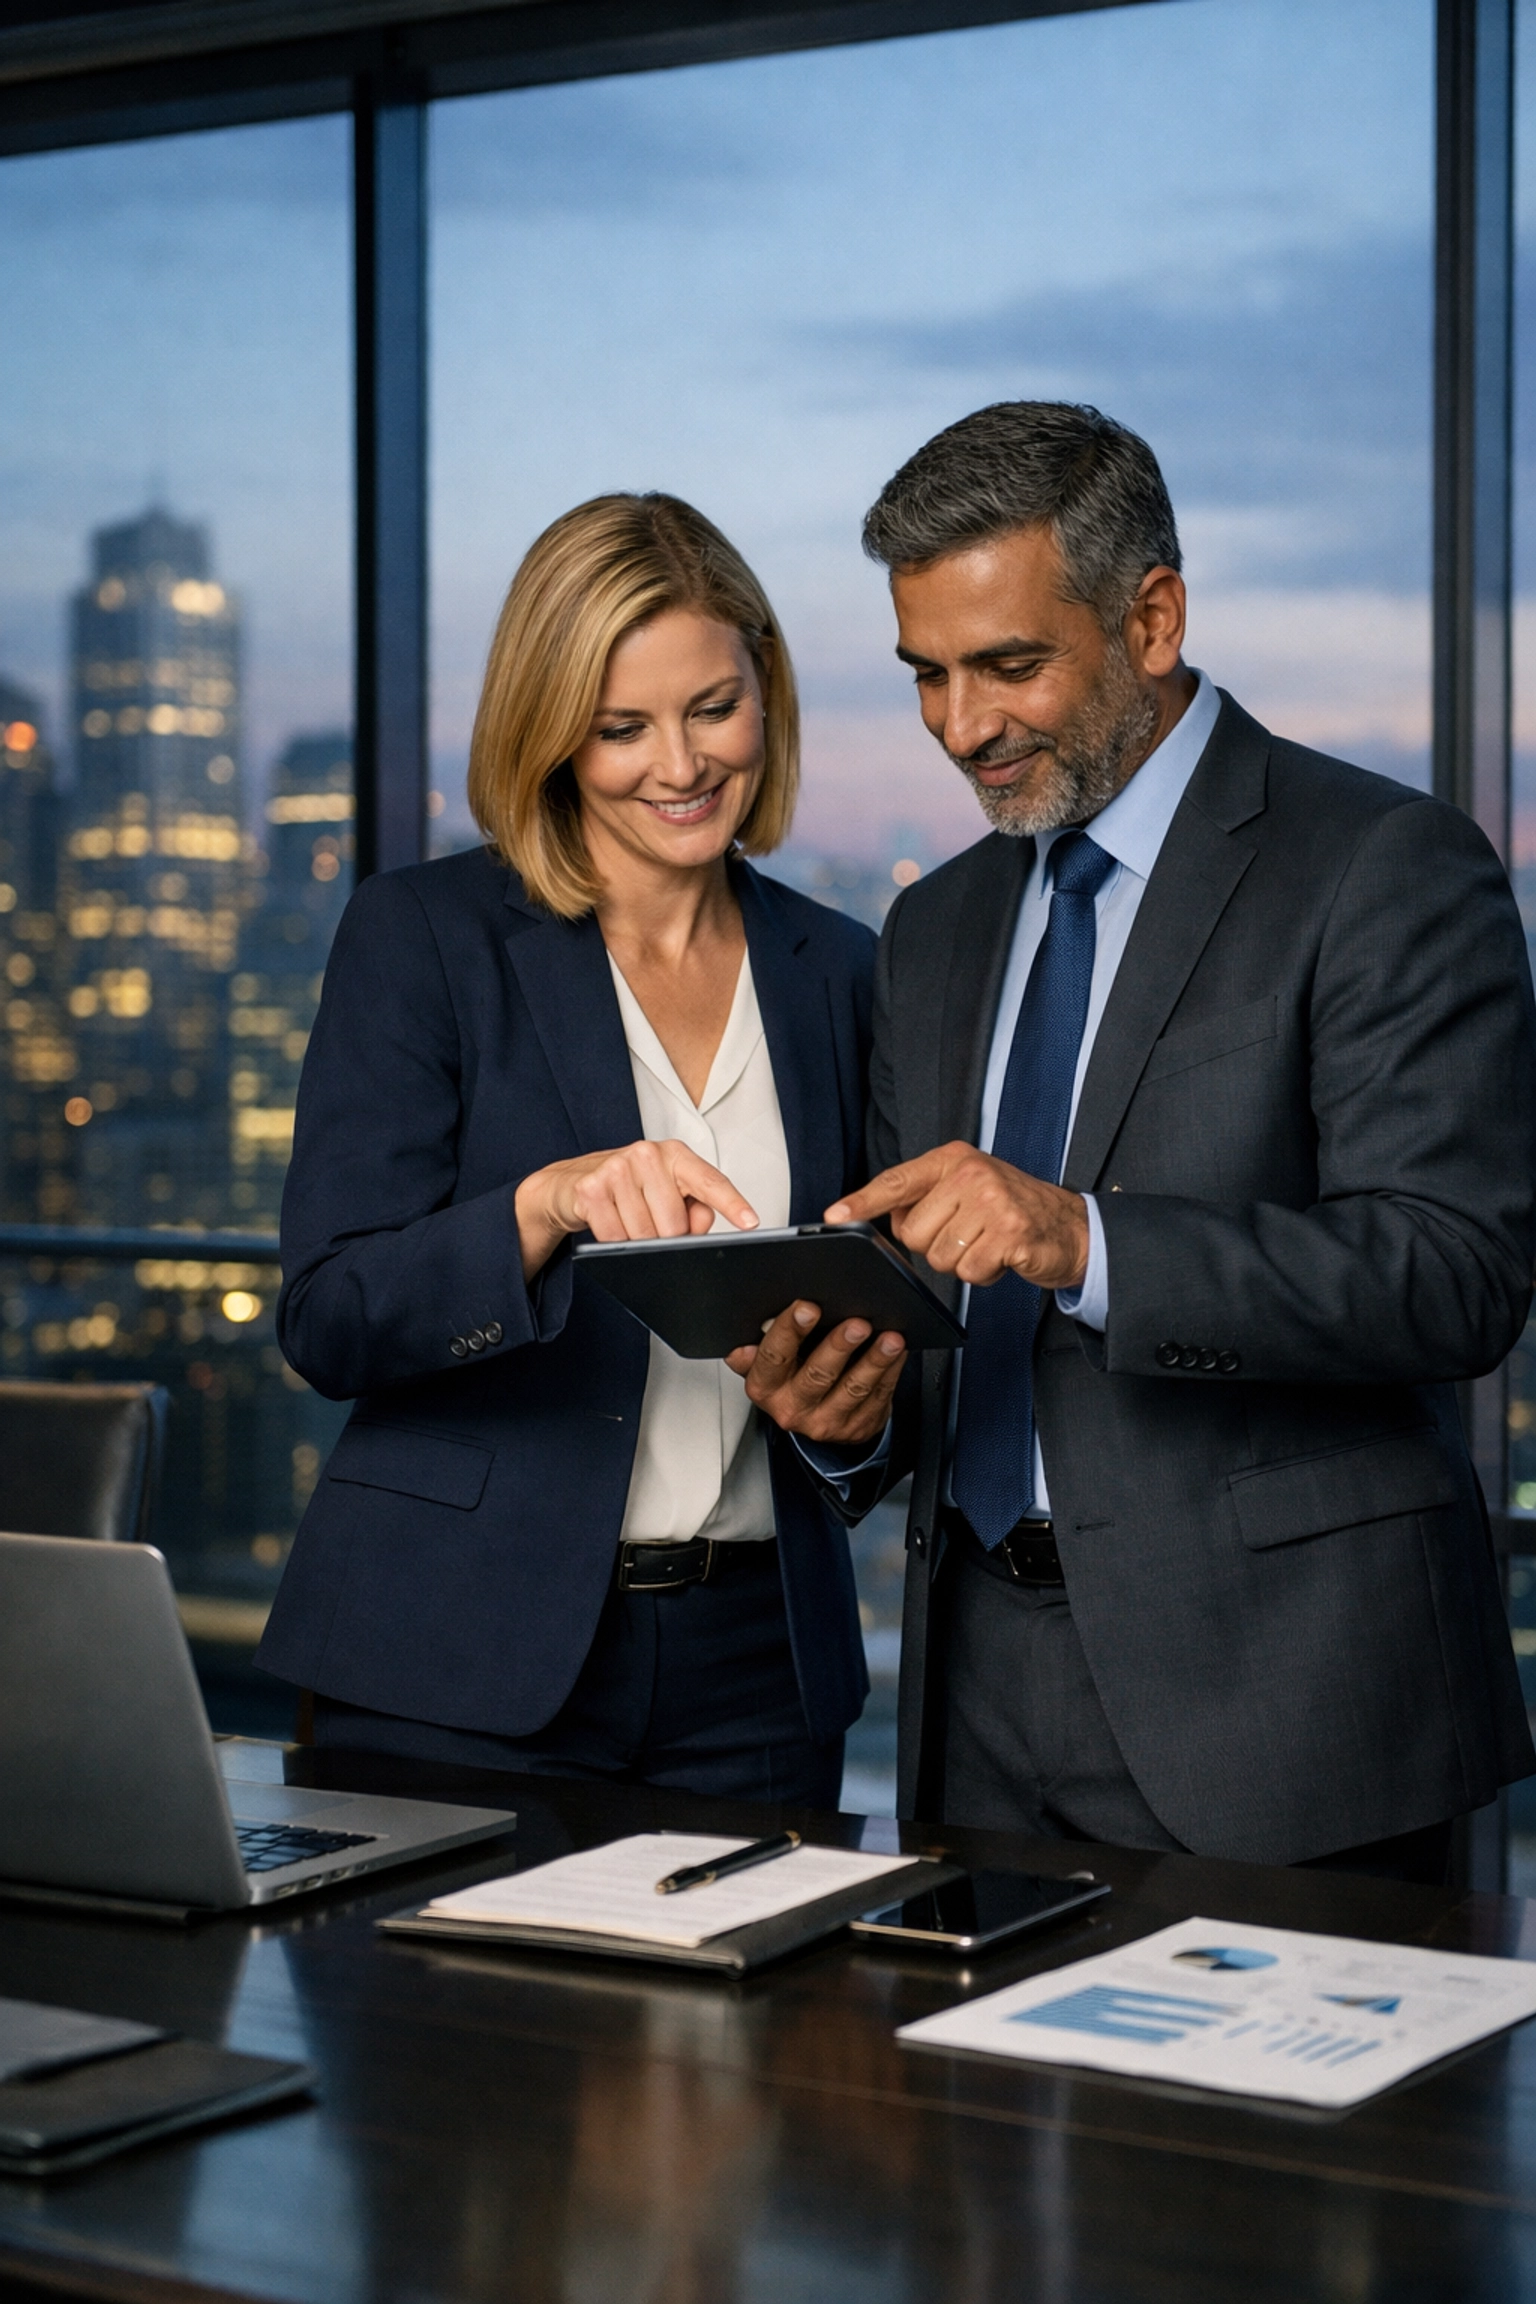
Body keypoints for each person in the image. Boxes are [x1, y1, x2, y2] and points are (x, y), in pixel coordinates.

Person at [732, 401, 1536, 1881]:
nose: (960, 726)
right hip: (970, 1700)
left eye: (1009, 666)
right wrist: (848, 1420)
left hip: (1287, 1705)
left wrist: (1081, 1237)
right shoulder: (934, 926)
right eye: (926, 675)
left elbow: (1455, 1273)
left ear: (1153, 617)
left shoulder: (1383, 865)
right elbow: (937, 1325)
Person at [257, 493, 876, 1805]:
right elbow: (329, 1319)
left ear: (765, 693)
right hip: (453, 1661)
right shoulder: (423, 937)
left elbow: (887, 1330)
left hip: (760, 1669)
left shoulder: (845, 973)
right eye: (621, 728)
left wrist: (850, 1421)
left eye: (714, 707)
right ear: (551, 734)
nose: (682, 764)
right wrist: (545, 1206)